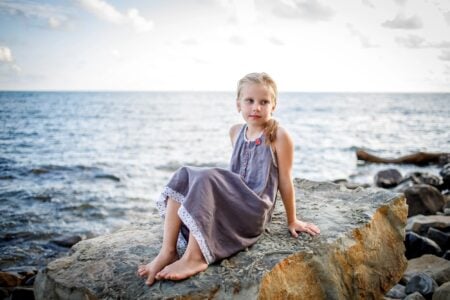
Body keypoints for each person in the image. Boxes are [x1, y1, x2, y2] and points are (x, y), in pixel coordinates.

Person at [137, 72, 320, 286]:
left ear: (274, 105)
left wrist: (292, 220)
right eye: (249, 101)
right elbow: (234, 180)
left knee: (207, 177)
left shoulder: (279, 136)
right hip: (234, 204)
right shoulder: (235, 132)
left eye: (264, 102)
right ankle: (167, 251)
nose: (256, 107)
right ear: (238, 104)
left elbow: (286, 181)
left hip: (253, 211)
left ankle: (195, 257)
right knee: (185, 174)